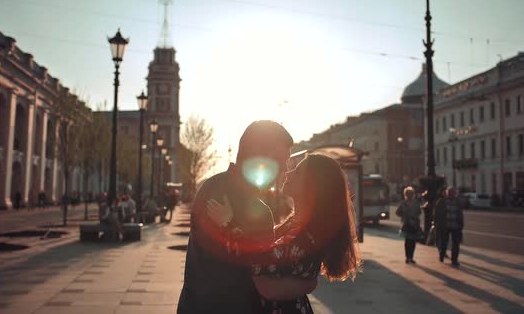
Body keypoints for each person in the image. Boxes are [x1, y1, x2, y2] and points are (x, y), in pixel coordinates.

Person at [177, 120, 316, 313]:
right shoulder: (258, 212)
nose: (286, 168)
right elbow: (267, 280)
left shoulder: (211, 186)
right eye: (282, 160)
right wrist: (307, 284)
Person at [205, 154, 361, 313]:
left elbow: (259, 262)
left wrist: (228, 223)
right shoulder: (294, 224)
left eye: (297, 172)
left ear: (313, 187)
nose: (288, 172)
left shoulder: (308, 237)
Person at [434, 186, 464, 267]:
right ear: (447, 193)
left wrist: (461, 225)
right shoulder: (442, 201)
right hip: (445, 226)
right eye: (450, 193)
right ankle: (442, 254)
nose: (452, 194)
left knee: (456, 243)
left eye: (453, 193)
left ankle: (454, 260)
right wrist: (436, 224)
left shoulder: (457, 202)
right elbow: (436, 214)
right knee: (444, 242)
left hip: (455, 225)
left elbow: (460, 214)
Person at [396, 186, 422, 264]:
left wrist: (414, 217)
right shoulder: (403, 203)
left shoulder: (416, 203)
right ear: (406, 194)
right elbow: (397, 212)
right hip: (406, 224)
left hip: (414, 223)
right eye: (408, 194)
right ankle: (408, 257)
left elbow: (419, 212)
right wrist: (404, 216)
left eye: (411, 193)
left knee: (413, 241)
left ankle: (411, 257)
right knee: (407, 242)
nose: (410, 195)